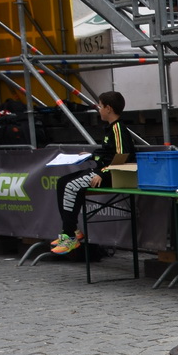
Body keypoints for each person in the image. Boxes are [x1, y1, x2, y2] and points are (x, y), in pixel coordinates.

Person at [49, 91, 131, 256]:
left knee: (72, 186)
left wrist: (103, 174)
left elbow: (121, 157)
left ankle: (69, 236)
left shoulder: (118, 129)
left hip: (110, 176)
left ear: (108, 108)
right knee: (62, 182)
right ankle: (72, 230)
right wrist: (90, 155)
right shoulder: (110, 129)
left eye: (100, 106)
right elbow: (108, 153)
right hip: (102, 171)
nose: (98, 110)